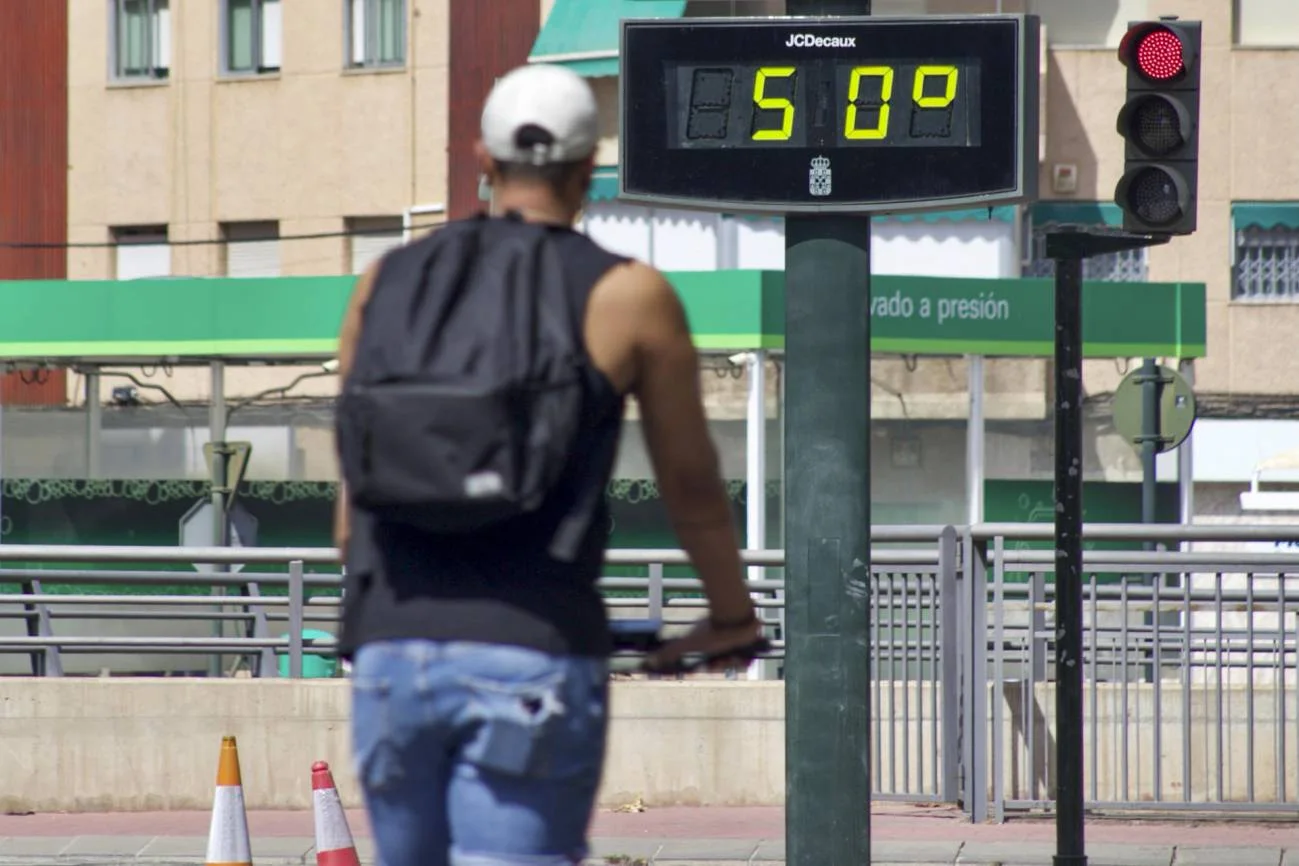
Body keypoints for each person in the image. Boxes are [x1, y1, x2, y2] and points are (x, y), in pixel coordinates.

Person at [331, 63, 765, 866]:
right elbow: (691, 485)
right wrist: (730, 617)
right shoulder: (628, 296)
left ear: (483, 162)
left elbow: (352, 491)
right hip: (532, 649)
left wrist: (378, 620)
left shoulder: (382, 284)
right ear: (587, 170)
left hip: (390, 653)